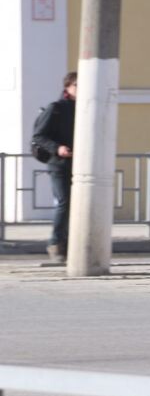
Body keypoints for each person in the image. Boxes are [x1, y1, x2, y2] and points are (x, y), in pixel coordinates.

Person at [32, 71, 77, 264]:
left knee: (76, 206)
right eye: (77, 85)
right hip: (58, 164)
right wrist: (57, 148)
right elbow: (38, 136)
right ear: (67, 87)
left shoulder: (88, 108)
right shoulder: (56, 108)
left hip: (82, 165)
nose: (81, 89)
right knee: (65, 201)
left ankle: (70, 246)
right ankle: (56, 244)